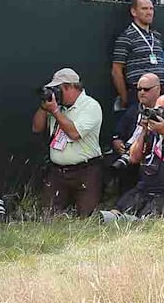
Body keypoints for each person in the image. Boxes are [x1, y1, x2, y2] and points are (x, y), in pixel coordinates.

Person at [32, 68, 103, 217]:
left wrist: (56, 112)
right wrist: (44, 107)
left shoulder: (91, 106)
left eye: (58, 89)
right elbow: (37, 128)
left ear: (70, 87)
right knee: (47, 216)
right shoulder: (57, 107)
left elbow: (74, 133)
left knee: (86, 217)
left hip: (85, 170)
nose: (56, 93)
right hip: (58, 172)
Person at [108, 73, 162, 196]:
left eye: (146, 89)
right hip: (128, 155)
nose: (142, 92)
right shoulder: (133, 110)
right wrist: (118, 143)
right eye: (139, 89)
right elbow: (117, 134)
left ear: (158, 89)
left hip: (151, 159)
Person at [112, 0, 164, 112]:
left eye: (151, 9)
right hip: (140, 94)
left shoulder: (157, 36)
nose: (149, 12)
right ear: (134, 12)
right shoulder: (126, 37)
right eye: (144, 9)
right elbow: (116, 71)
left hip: (161, 94)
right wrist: (125, 98)